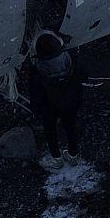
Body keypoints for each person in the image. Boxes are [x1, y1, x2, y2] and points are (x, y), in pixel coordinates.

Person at [31, 31, 83, 170]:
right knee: (70, 127)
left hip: (50, 106)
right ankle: (73, 154)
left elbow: (36, 93)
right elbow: (83, 75)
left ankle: (56, 158)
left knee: (50, 130)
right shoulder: (70, 59)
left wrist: (36, 110)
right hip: (71, 101)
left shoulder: (38, 71)